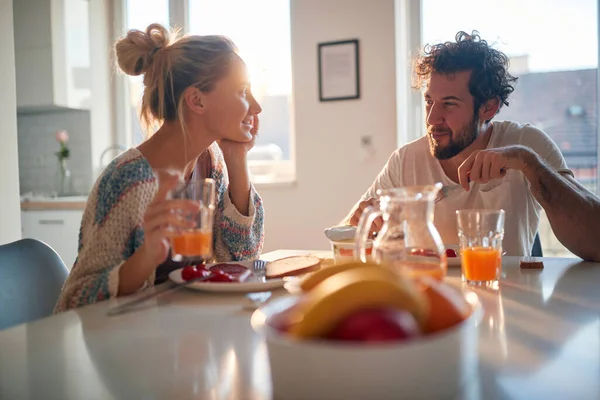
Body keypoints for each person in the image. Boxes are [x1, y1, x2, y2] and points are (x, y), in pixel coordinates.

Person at [55, 23, 264, 312]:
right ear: (196, 100)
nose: (256, 107)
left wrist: (236, 159)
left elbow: (242, 259)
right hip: (123, 347)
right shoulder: (128, 180)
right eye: (243, 91)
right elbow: (76, 300)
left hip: (177, 337)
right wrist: (147, 256)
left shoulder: (209, 162)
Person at [344, 31, 600, 261]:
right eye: (429, 101)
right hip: (433, 298)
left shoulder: (525, 145)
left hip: (510, 299)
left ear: (489, 107)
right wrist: (359, 221)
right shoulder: (406, 160)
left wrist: (529, 165)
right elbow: (345, 238)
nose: (432, 118)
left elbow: (595, 243)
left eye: (450, 104)